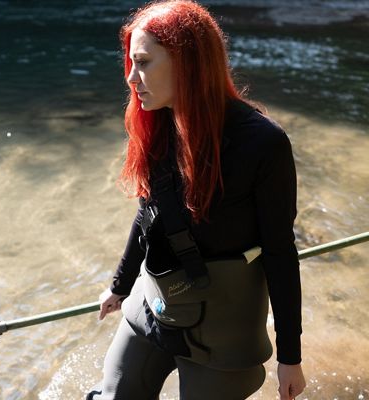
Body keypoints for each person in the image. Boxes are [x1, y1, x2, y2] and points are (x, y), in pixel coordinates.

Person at [87, 1, 306, 399]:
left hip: (224, 331)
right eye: (131, 63)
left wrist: (290, 356)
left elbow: (279, 252)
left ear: (187, 63)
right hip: (153, 303)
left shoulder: (263, 143)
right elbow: (148, 211)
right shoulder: (157, 122)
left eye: (144, 62)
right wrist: (119, 286)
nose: (132, 79)